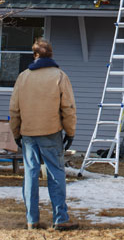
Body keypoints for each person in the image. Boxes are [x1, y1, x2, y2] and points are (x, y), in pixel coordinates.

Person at [9, 38, 78, 231]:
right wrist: (70, 132)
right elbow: (68, 107)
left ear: (35, 55)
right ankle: (61, 219)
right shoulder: (59, 76)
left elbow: (14, 109)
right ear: (51, 55)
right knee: (55, 173)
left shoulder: (23, 77)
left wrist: (16, 133)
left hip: (28, 134)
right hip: (51, 132)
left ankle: (32, 220)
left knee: (30, 175)